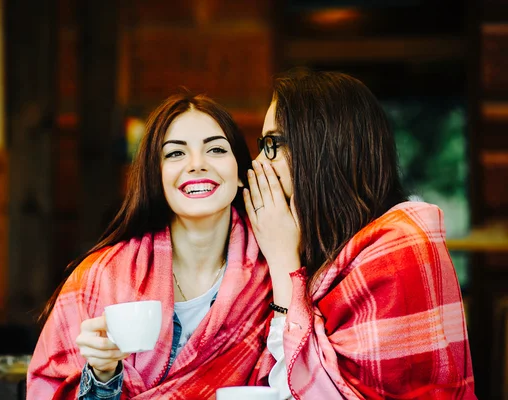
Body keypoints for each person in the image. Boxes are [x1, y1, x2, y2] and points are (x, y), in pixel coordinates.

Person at [244, 68, 476, 399]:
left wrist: (284, 264)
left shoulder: (399, 251)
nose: (259, 163)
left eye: (272, 144)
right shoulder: (322, 250)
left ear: (320, 150)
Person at [27, 92, 273, 399]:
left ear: (239, 173)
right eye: (175, 154)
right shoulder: (99, 277)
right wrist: (102, 375)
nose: (197, 164)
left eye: (216, 149)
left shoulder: (276, 273)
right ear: (154, 177)